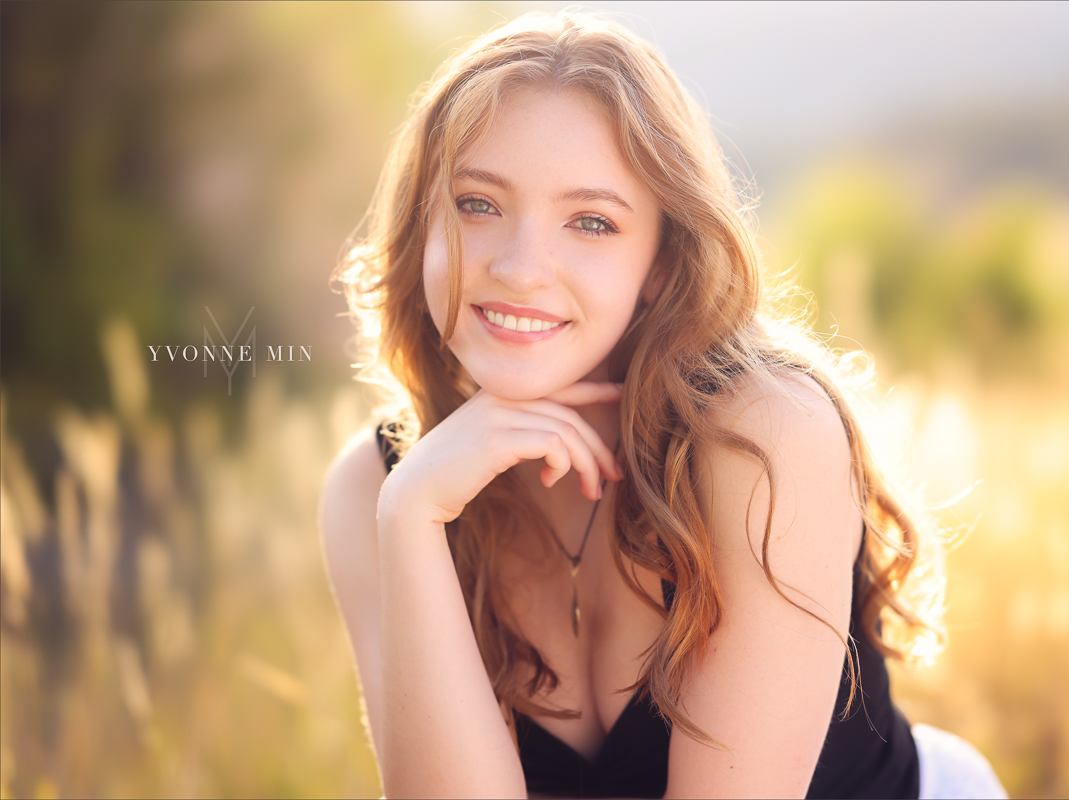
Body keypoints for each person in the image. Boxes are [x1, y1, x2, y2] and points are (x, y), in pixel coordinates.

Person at [320, 11, 1007, 799]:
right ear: (420, 227)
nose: (520, 268)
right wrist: (412, 520)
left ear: (659, 264)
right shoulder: (375, 491)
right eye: (478, 204)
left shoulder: (766, 440)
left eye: (591, 222)